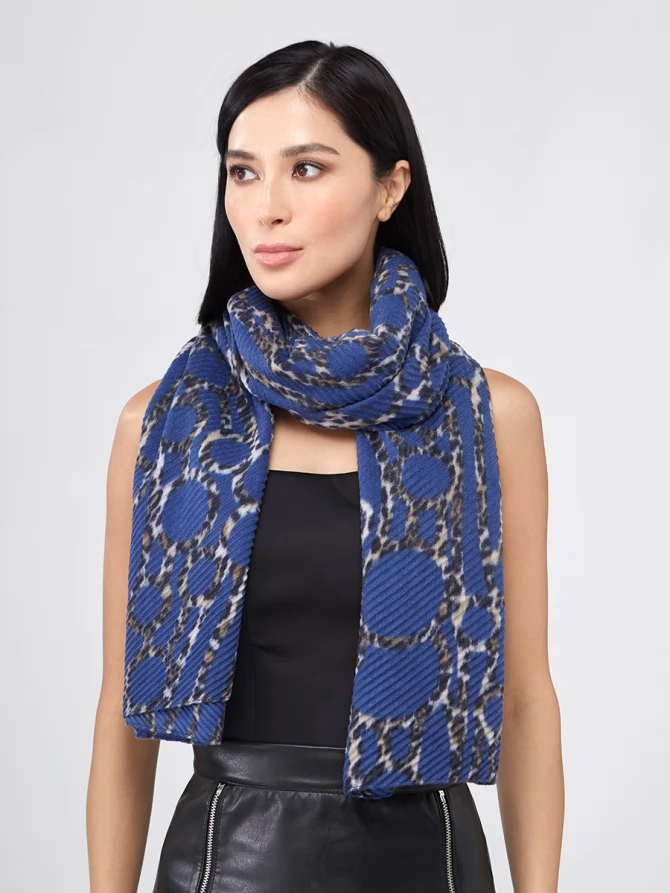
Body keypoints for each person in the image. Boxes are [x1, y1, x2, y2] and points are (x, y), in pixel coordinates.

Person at [87, 39, 564, 893]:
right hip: (225, 866)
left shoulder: (489, 415)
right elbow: (122, 709)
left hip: (429, 865)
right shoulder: (163, 425)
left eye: (305, 169)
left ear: (390, 187)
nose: (266, 207)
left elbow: (525, 699)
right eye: (243, 172)